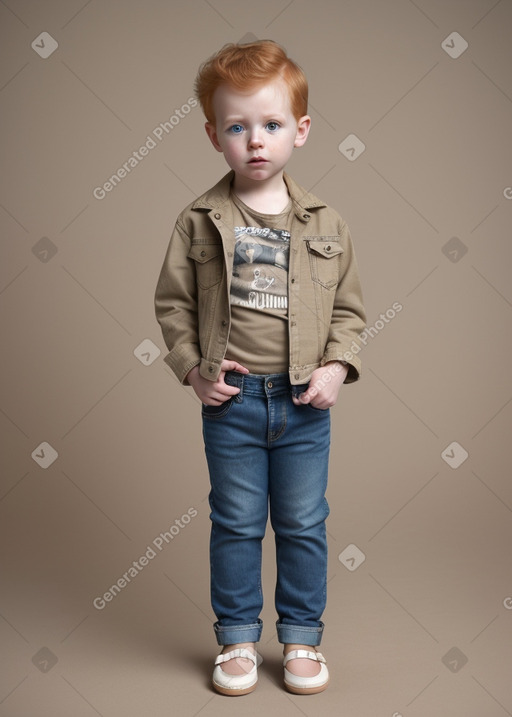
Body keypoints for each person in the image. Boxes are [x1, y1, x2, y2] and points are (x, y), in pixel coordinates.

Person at [154, 39, 366, 696]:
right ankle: (238, 639)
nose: (255, 141)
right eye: (238, 126)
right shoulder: (199, 221)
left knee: (303, 521)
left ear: (300, 131)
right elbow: (173, 304)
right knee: (238, 521)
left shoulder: (326, 221)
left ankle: (301, 635)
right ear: (215, 133)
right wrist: (193, 369)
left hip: (303, 401)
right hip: (235, 401)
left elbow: (351, 312)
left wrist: (337, 366)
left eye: (271, 124)